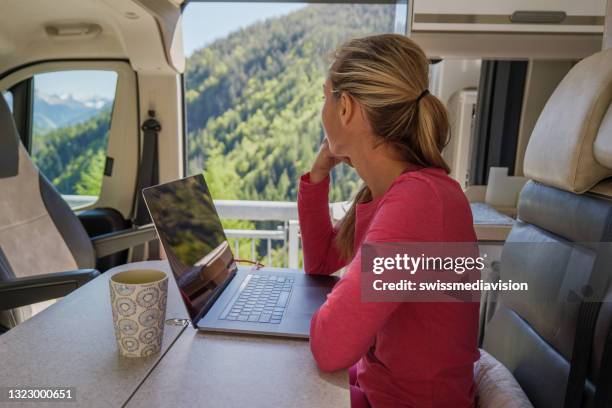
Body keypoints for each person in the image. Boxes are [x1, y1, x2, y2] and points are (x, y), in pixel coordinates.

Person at [297, 34, 479, 408]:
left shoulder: (419, 201)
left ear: (345, 107)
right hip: (380, 389)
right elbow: (321, 263)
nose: (322, 111)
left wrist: (336, 308)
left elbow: (332, 347)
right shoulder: (395, 192)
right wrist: (317, 178)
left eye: (324, 97)